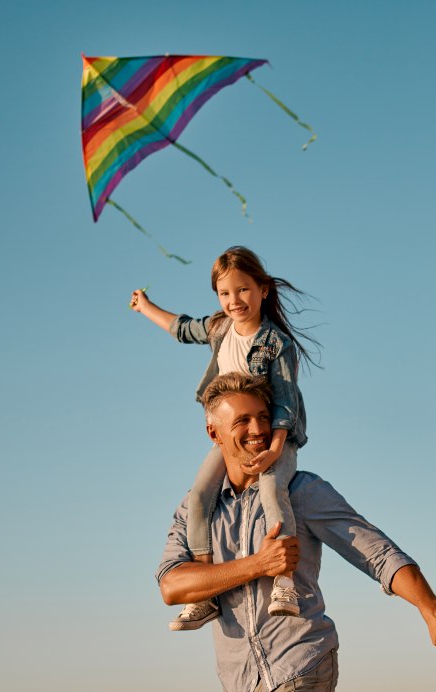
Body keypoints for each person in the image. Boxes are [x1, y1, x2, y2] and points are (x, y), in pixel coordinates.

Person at [157, 372, 436, 691]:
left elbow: (376, 553)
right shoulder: (194, 509)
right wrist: (259, 564)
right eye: (242, 421)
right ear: (214, 433)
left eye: (263, 418)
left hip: (301, 667)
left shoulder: (302, 490)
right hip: (238, 681)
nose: (257, 430)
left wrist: (432, 609)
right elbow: (172, 586)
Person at [131, 246, 317, 629]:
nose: (235, 301)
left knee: (271, 491)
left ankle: (284, 583)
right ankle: (206, 594)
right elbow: (182, 329)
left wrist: (275, 450)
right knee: (199, 497)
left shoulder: (276, 343)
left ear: (263, 289)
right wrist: (145, 307)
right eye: (225, 293)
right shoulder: (219, 328)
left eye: (243, 290)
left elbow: (284, 403)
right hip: (231, 442)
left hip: (272, 438)